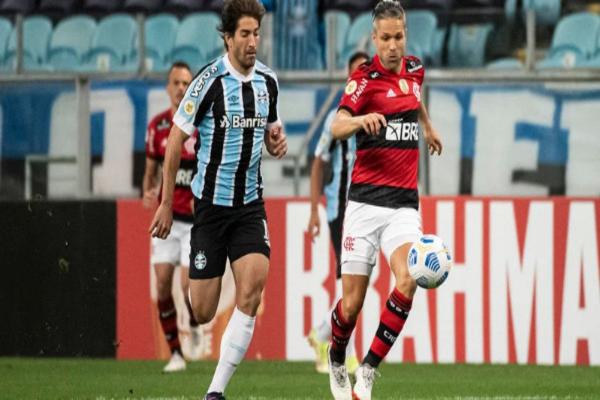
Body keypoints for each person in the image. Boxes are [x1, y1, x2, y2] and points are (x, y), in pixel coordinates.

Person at [149, 1, 287, 399]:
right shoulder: (208, 81)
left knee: (252, 288)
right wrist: (163, 202)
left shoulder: (268, 83)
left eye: (256, 33)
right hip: (209, 210)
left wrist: (276, 142)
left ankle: (215, 391)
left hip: (249, 206)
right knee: (203, 309)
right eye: (244, 34)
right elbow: (175, 139)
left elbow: (273, 132)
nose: (252, 42)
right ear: (228, 38)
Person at [325, 1, 443, 399]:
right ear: (374, 38)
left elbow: (414, 98)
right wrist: (360, 120)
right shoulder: (363, 80)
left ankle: (369, 369)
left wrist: (427, 127)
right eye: (386, 38)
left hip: (404, 205)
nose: (393, 45)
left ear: (405, 35)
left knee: (408, 279)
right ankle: (337, 357)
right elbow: (337, 126)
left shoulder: (415, 70)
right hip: (363, 204)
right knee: (351, 304)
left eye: (399, 37)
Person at [306, 51, 369, 375]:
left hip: (368, 208)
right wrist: (314, 210)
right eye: (355, 72)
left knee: (358, 284)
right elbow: (318, 161)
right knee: (351, 284)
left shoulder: (379, 114)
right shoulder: (337, 118)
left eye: (365, 71)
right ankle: (347, 354)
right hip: (340, 210)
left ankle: (320, 334)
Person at [143, 61, 201, 373]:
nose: (181, 88)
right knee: (164, 285)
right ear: (168, 87)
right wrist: (147, 189)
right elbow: (152, 167)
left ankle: (193, 321)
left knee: (189, 286)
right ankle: (176, 354)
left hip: (195, 223)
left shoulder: (201, 124)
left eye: (186, 83)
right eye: (176, 82)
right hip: (168, 220)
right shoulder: (158, 127)